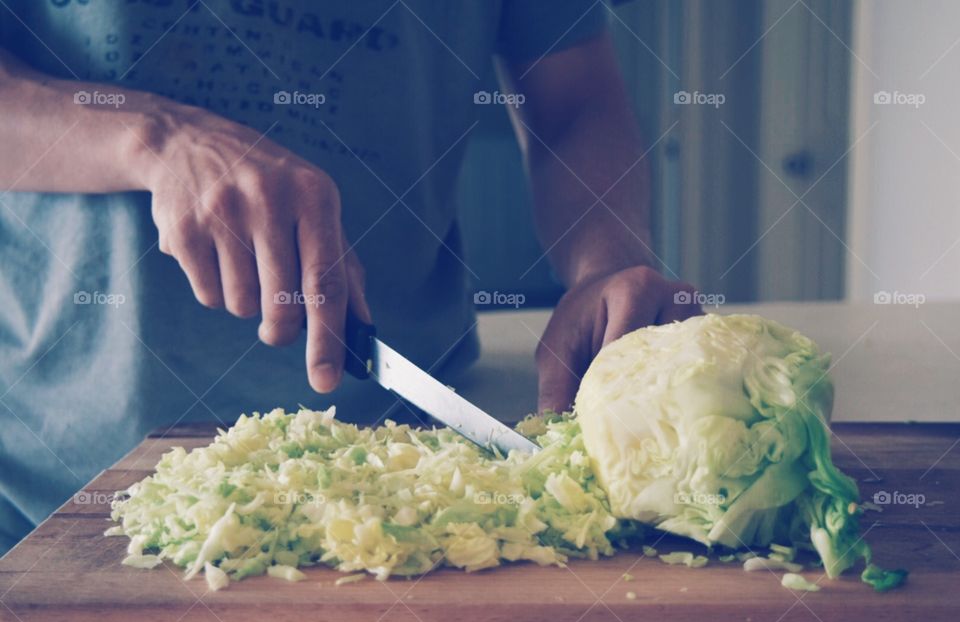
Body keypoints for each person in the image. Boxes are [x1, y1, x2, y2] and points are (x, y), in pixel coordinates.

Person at [0, 1, 698, 556]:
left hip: (410, 472)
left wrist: (604, 262)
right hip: (46, 471)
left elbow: (574, 99)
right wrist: (153, 138)